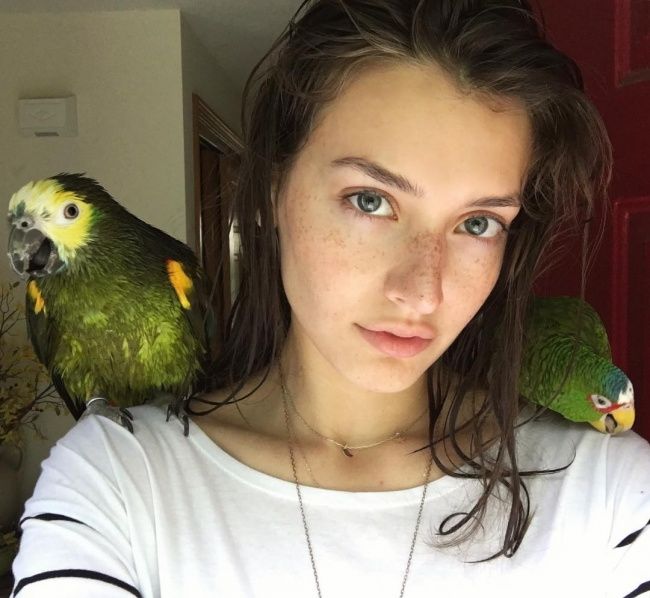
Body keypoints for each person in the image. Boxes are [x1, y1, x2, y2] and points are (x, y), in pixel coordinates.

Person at [11, 1, 650, 597]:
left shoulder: (608, 492)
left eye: (478, 223)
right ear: (272, 193)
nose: (421, 290)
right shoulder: (116, 484)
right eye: (370, 201)